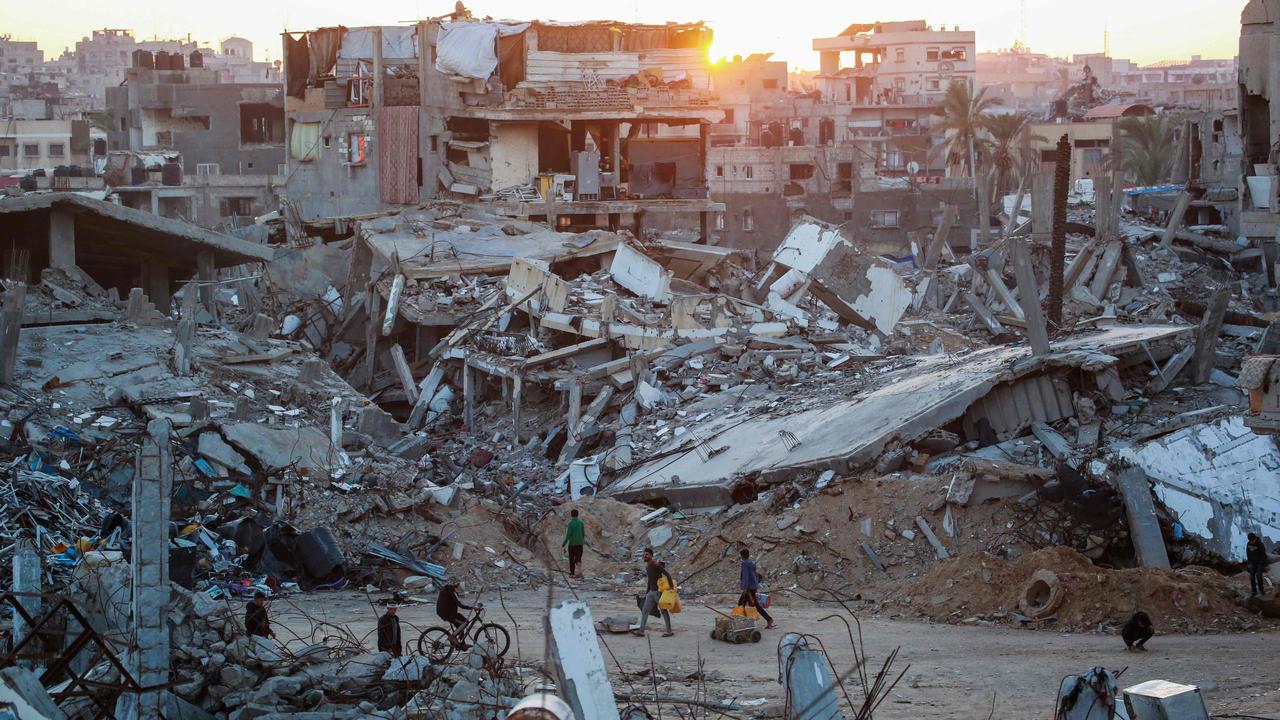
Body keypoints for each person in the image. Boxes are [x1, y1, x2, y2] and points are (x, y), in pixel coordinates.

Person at [633, 548, 674, 638]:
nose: (645, 556)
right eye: (644, 554)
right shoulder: (648, 566)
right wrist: (647, 592)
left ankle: (669, 631)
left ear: (651, 556)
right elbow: (650, 580)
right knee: (645, 610)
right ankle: (641, 631)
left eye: (647, 554)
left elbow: (667, 574)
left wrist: (671, 587)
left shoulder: (656, 564)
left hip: (658, 592)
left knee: (664, 611)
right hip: (651, 592)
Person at [738, 548, 775, 630]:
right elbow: (754, 575)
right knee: (747, 604)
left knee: (749, 605)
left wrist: (745, 587)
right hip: (753, 586)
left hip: (749, 588)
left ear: (742, 556)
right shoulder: (751, 563)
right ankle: (744, 621)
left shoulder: (745, 564)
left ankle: (768, 620)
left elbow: (745, 576)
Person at [436, 582, 477, 647]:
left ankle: (462, 644)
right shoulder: (451, 593)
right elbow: (460, 605)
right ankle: (452, 637)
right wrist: (472, 608)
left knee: (460, 626)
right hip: (448, 614)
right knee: (465, 622)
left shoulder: (447, 589)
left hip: (445, 612)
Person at [564, 509, 586, 577]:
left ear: (571, 515)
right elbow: (583, 533)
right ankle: (579, 572)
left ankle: (572, 573)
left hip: (572, 544)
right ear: (577, 514)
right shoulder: (581, 523)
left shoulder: (570, 523)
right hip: (580, 544)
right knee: (578, 558)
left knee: (571, 558)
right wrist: (581, 540)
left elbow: (568, 534)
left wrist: (564, 543)